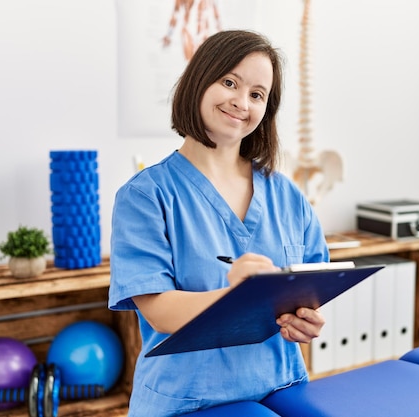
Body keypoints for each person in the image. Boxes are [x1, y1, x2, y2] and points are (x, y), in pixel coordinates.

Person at [109, 29, 330, 417]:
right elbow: (158, 309)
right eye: (229, 82)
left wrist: (306, 320)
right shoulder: (146, 196)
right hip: (189, 400)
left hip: (282, 387)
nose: (241, 102)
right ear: (199, 80)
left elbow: (313, 282)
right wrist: (240, 297)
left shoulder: (287, 195)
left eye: (257, 94)